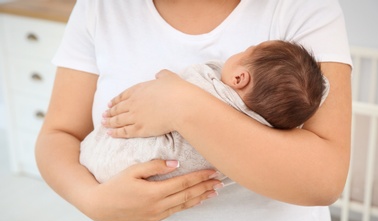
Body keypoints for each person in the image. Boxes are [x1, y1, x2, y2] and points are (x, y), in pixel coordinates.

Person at [35, 0, 352, 221]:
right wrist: (91, 201)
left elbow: (324, 181)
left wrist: (182, 104)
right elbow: (58, 135)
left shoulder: (302, 8)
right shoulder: (101, 8)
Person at [80, 40, 329, 184]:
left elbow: (173, 92)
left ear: (240, 77)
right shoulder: (265, 129)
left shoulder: (205, 89)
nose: (238, 52)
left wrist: (174, 91)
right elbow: (323, 88)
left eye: (246, 51)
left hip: (115, 166)